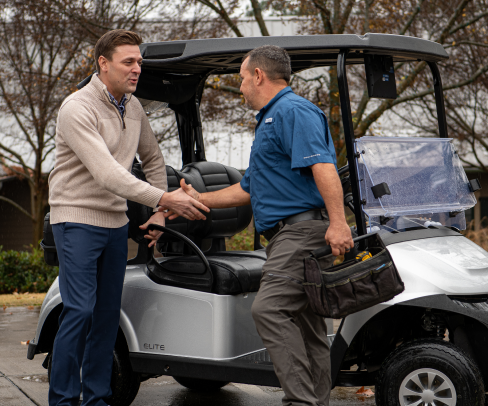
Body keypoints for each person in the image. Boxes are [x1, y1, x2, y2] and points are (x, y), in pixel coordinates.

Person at [169, 45, 354, 406]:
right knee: (307, 324)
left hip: (300, 234)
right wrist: (199, 199)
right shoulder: (272, 119)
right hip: (290, 235)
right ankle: (315, 401)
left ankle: (300, 401)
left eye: (241, 79)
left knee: (268, 309)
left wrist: (338, 223)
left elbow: (324, 168)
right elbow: (248, 188)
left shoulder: (292, 111)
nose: (239, 88)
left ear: (258, 75)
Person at [47, 29, 209, 406]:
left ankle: (98, 400)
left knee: (105, 316)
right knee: (80, 310)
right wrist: (166, 197)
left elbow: (152, 159)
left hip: (115, 225)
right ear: (103, 64)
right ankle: (63, 400)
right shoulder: (77, 108)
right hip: (77, 220)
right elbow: (108, 174)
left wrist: (159, 212)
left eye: (139, 62)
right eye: (129, 62)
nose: (137, 69)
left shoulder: (132, 106)